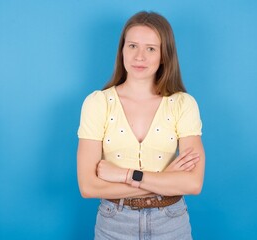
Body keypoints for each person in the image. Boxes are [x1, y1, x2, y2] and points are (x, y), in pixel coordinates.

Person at [77, 11, 205, 240]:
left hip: (171, 223)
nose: (139, 57)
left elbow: (193, 183)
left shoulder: (183, 104)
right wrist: (165, 179)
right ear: (122, 51)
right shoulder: (97, 103)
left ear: (164, 55)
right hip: (113, 222)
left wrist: (123, 174)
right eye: (133, 46)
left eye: (151, 48)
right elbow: (88, 187)